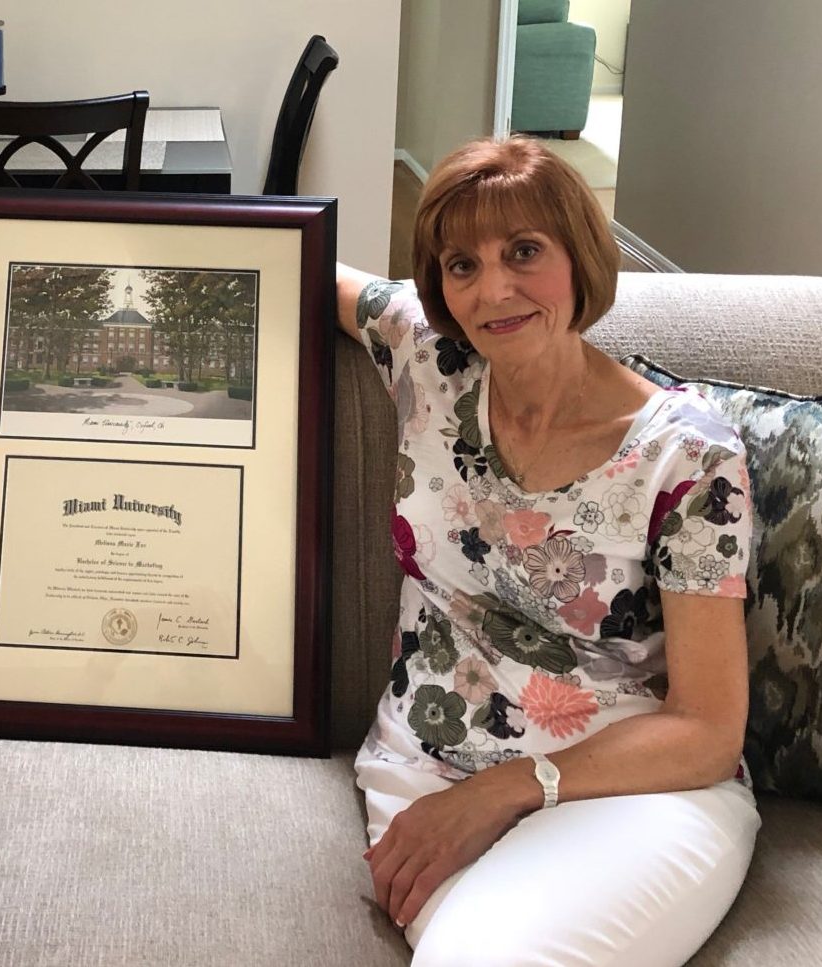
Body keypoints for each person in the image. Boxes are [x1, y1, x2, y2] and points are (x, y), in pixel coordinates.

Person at [335, 138, 759, 966]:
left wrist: (508, 789)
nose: (493, 289)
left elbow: (709, 726)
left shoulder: (690, 457)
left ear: (581, 257)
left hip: (631, 790)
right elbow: (306, 267)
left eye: (524, 252)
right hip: (423, 769)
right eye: (463, 265)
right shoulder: (429, 358)